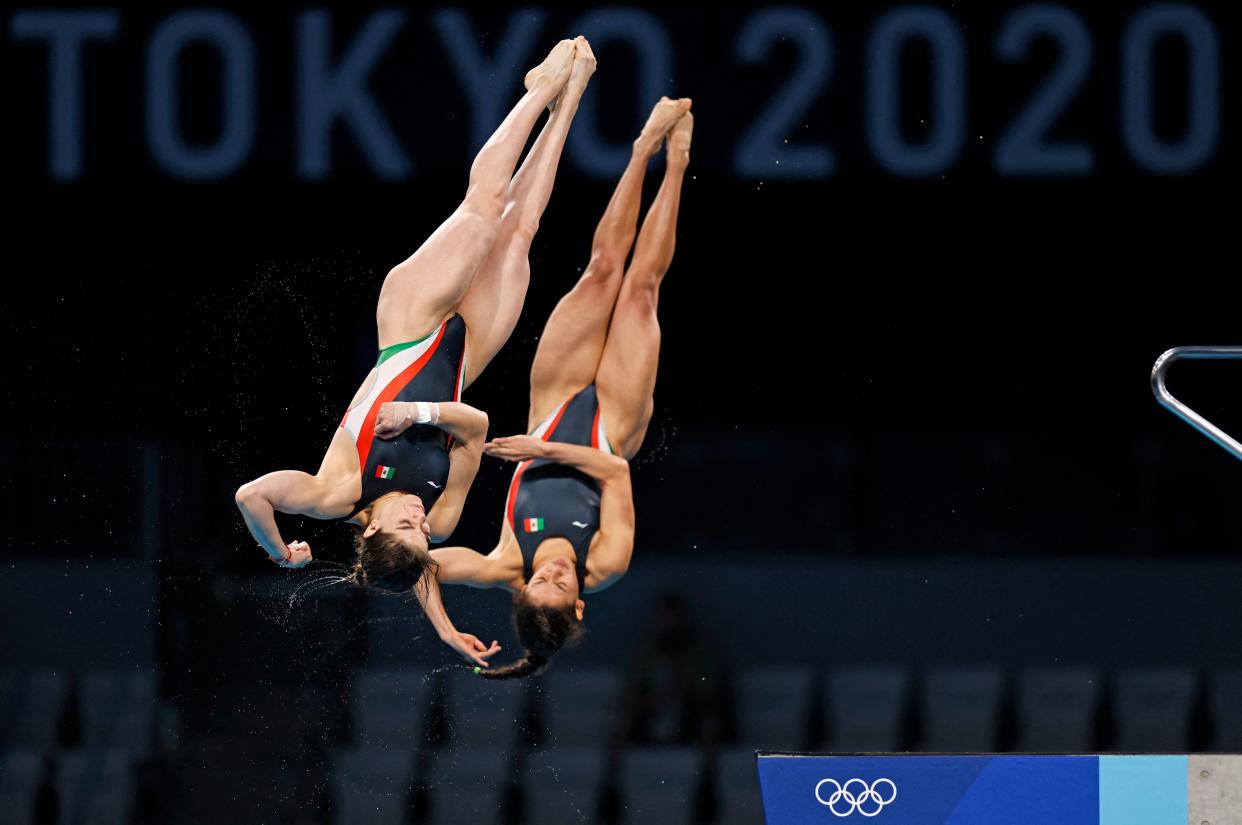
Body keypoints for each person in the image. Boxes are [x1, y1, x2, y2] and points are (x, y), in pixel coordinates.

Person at [234, 38, 597, 667]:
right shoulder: (443, 519)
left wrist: (276, 552)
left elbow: (250, 496)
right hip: (465, 357)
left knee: (483, 209)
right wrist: (447, 628)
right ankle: (571, 99)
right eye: (421, 531)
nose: (420, 520)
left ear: (369, 530)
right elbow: (477, 427)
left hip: (408, 323)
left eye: (406, 524)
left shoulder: (335, 492)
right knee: (520, 232)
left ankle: (538, 89)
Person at [428, 97, 694, 678]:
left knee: (601, 271)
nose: (552, 572)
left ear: (521, 589)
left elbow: (417, 568)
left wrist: (447, 629)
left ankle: (641, 149)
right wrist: (543, 451)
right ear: (579, 602)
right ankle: (676, 161)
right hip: (613, 425)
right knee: (641, 290)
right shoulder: (608, 563)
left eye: (539, 582)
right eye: (561, 586)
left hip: (553, 400)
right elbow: (615, 473)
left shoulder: (505, 561)